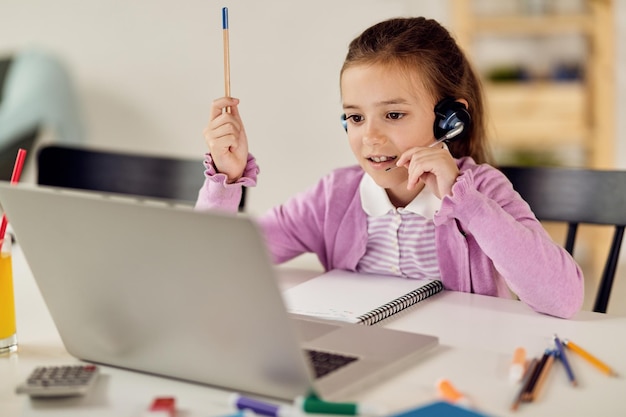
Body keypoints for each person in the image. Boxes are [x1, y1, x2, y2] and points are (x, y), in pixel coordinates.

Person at [195, 17, 583, 319]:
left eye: (393, 114)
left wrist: (465, 201)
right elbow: (214, 262)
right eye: (356, 118)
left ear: (449, 119)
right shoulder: (334, 197)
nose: (370, 137)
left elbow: (564, 298)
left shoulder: (481, 192)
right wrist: (227, 179)